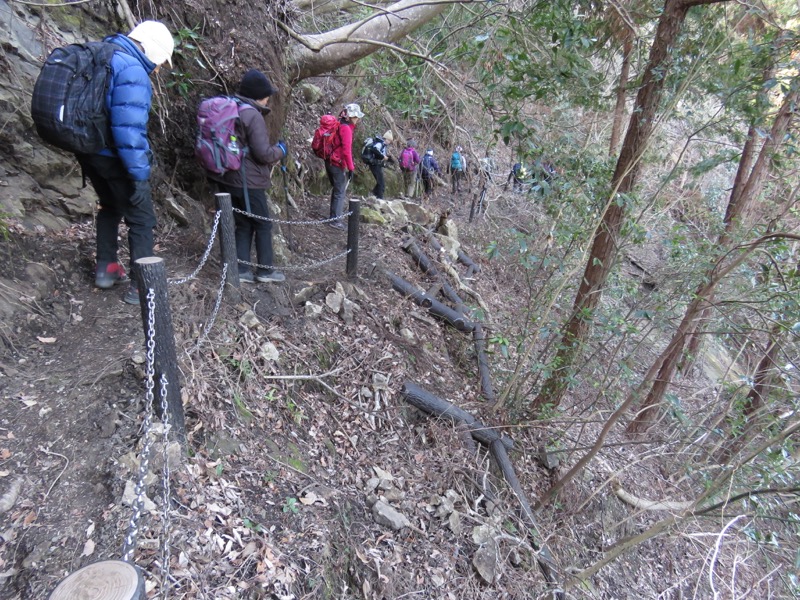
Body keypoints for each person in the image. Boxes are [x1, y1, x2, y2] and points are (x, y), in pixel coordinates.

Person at [76, 21, 174, 305]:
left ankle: (106, 269)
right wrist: (139, 176)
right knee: (141, 218)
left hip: (88, 151)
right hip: (113, 155)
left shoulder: (101, 53)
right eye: (159, 63)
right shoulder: (132, 69)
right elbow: (129, 132)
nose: (157, 70)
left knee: (110, 206)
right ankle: (142, 287)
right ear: (153, 50)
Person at [207, 69, 287, 283]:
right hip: (248, 181)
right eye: (267, 94)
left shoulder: (232, 108)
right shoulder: (252, 114)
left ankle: (241, 270)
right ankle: (265, 271)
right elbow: (263, 154)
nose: (269, 98)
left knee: (243, 223)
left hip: (227, 177)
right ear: (259, 95)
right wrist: (281, 150)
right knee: (263, 223)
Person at [327, 103, 363, 229]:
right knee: (340, 191)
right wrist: (351, 168)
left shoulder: (340, 123)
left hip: (330, 160)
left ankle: (333, 216)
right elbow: (347, 151)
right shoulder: (346, 129)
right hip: (336, 163)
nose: (358, 119)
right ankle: (335, 220)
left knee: (337, 189)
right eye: (356, 117)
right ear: (351, 117)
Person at [365, 130, 393, 199]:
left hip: (376, 164)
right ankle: (380, 198)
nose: (389, 142)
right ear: (386, 138)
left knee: (380, 182)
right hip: (374, 164)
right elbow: (375, 150)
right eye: (389, 140)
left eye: (390, 141)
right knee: (381, 183)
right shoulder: (380, 143)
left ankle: (374, 193)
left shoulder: (383, 145)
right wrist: (383, 157)